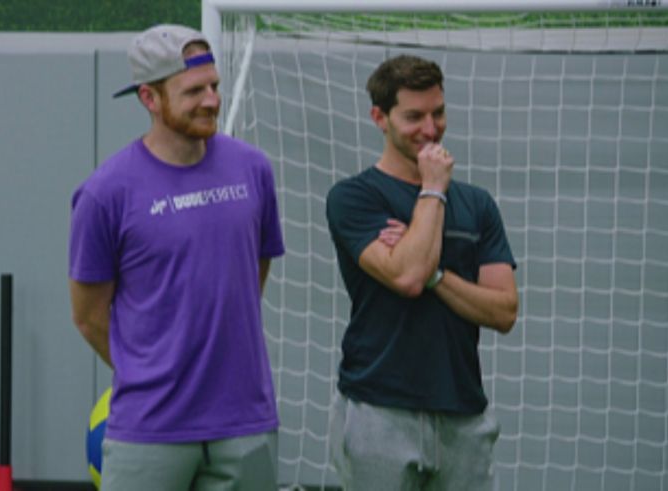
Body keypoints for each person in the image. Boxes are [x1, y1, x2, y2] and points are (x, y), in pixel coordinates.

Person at [68, 24, 284, 490]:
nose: (211, 100)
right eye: (193, 91)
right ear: (149, 98)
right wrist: (153, 368)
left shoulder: (253, 170)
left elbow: (252, 274)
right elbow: (88, 316)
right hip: (150, 431)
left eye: (214, 86)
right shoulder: (105, 194)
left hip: (246, 424)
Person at [325, 54, 519, 490]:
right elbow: (407, 277)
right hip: (379, 411)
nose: (430, 130)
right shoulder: (353, 198)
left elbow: (504, 310)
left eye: (438, 113)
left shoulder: (478, 205)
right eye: (414, 116)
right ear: (380, 117)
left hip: (464, 414)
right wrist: (432, 188)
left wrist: (437, 276)